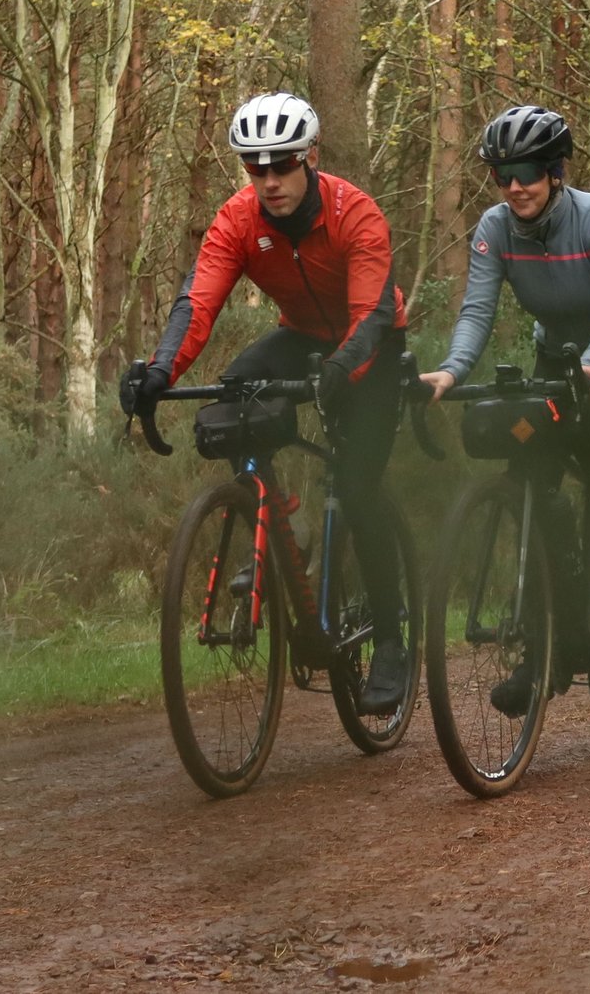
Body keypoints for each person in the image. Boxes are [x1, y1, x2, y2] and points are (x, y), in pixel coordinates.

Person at [115, 91, 414, 715]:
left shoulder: (354, 213)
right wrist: (160, 369)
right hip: (302, 335)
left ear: (310, 157)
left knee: (358, 489)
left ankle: (391, 639)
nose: (270, 180)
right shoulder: (239, 220)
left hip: (373, 346)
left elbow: (372, 314)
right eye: (256, 167)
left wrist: (341, 370)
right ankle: (284, 524)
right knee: (230, 403)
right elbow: (197, 301)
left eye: (282, 164)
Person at [417, 104, 590, 716]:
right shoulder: (494, 228)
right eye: (503, 174)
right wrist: (451, 371)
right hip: (557, 357)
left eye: (528, 170)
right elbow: (477, 312)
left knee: (586, 430)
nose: (515, 186)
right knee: (532, 471)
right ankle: (548, 647)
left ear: (555, 170)